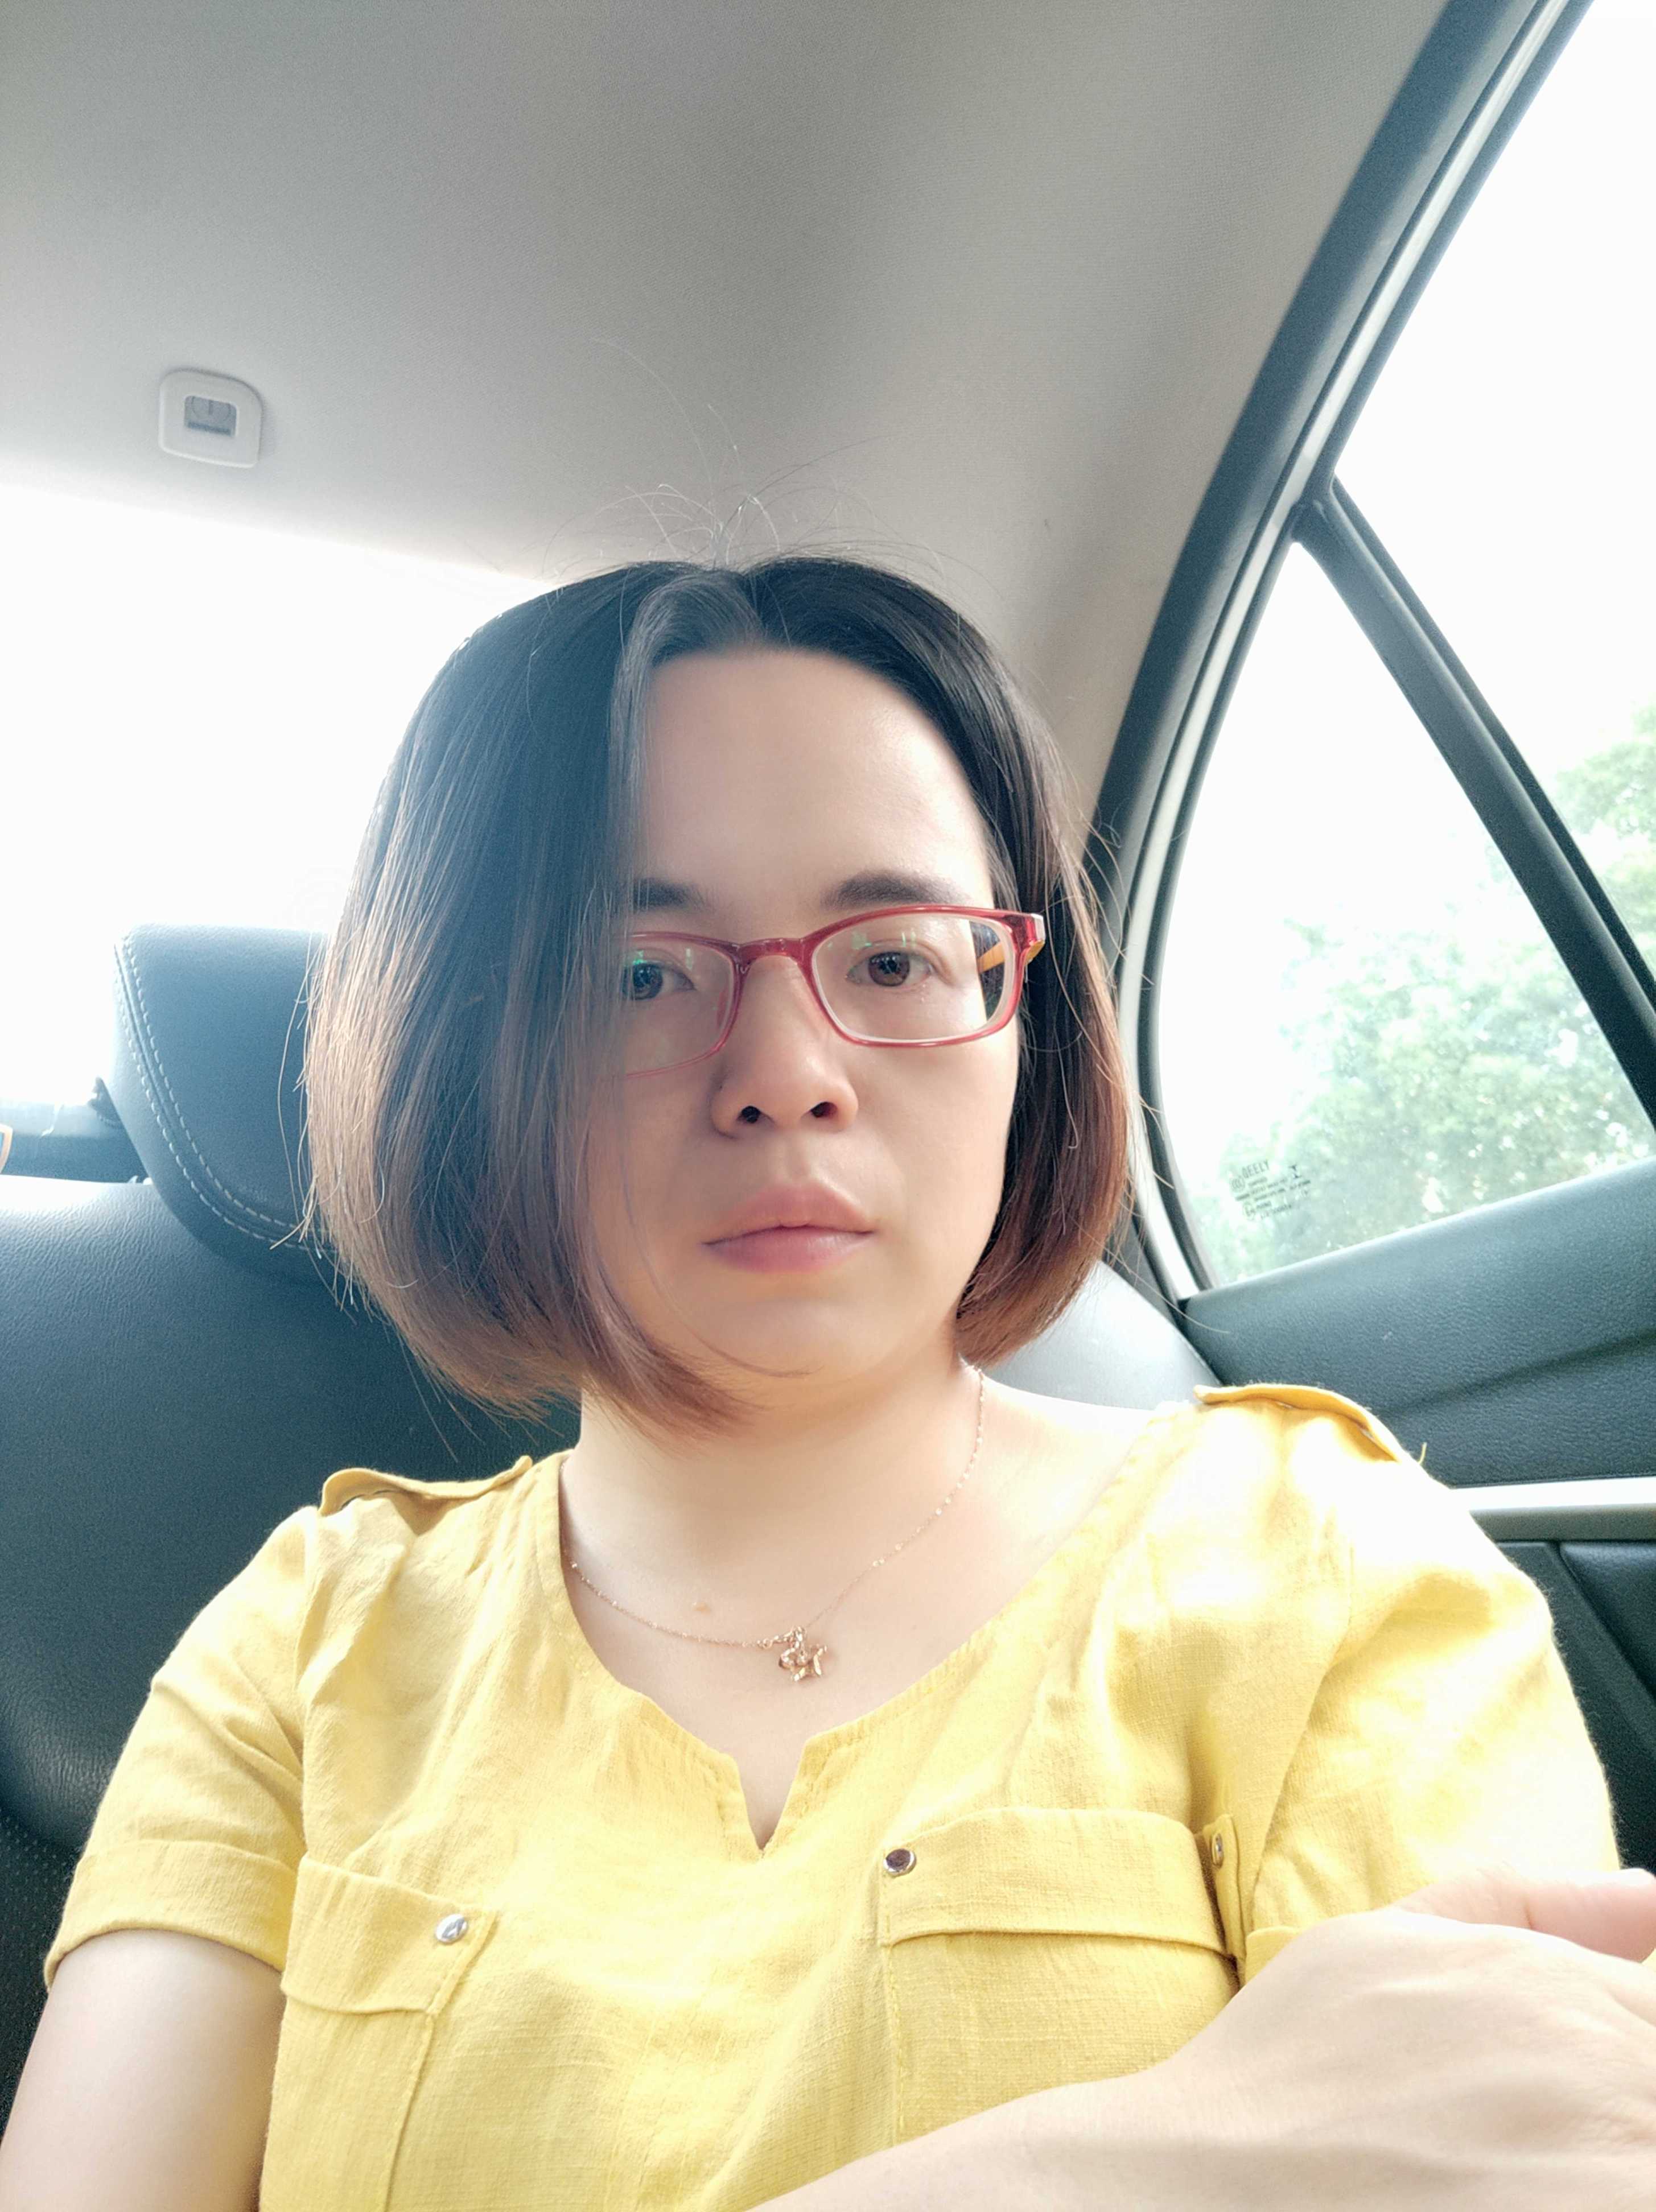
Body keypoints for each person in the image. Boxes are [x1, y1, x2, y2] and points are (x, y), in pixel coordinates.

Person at [2, 555, 1653, 2212]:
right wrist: (1123, 2166)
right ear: (464, 1054)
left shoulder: (1323, 1560)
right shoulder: (307, 1649)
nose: (787, 1076)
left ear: (1023, 1024)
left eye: (895, 959)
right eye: (638, 973)